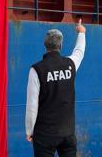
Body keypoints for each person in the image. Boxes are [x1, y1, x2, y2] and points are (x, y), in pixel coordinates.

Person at [25, 20, 86, 157]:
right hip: (68, 133)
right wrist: (81, 32)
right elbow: (79, 52)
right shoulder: (71, 64)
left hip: (45, 135)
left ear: (45, 45)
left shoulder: (36, 70)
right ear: (61, 45)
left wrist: (29, 130)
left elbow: (32, 105)